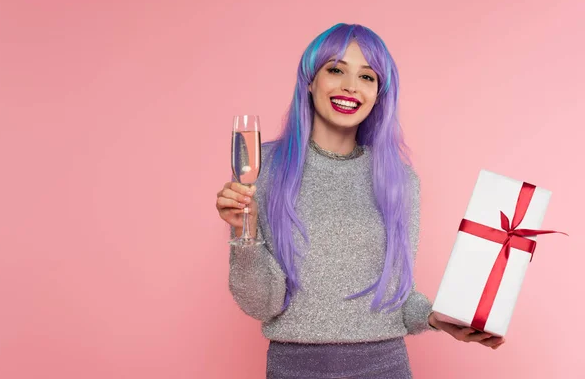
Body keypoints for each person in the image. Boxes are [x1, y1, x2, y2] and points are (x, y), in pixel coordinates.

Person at [216, 23, 505, 378]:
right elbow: (260, 303)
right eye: (336, 70)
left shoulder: (399, 181)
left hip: (385, 367)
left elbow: (398, 300)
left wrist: (435, 318)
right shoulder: (262, 169)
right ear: (310, 80)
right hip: (295, 369)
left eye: (367, 77)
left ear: (379, 94)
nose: (351, 86)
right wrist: (244, 232)